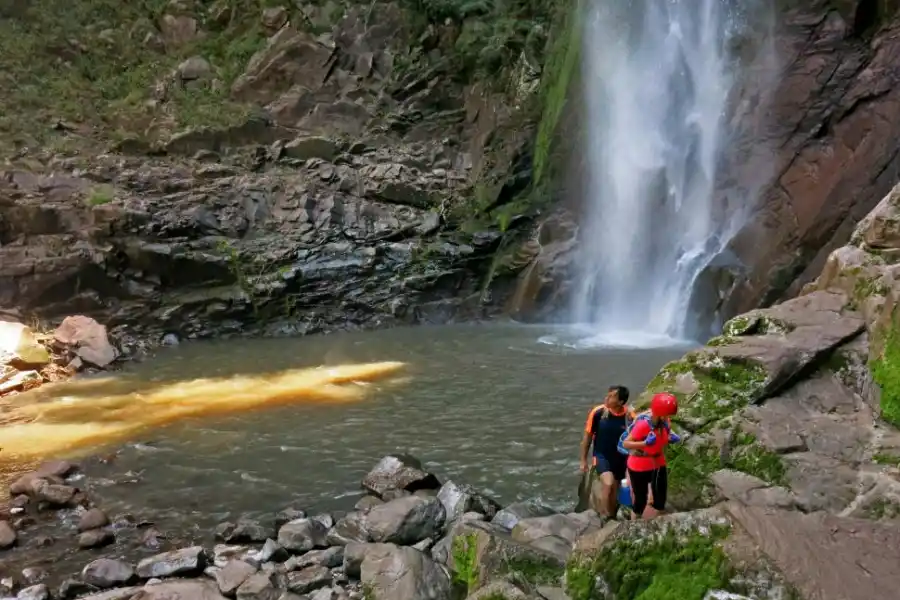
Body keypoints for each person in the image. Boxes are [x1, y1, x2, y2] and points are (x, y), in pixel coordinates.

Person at [621, 392, 680, 520]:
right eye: (667, 415)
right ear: (659, 413)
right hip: (639, 465)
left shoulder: (665, 423)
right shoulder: (643, 425)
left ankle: (656, 521)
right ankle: (634, 523)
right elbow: (626, 443)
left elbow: (663, 437)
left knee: (660, 497)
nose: (668, 417)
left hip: (658, 462)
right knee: (640, 499)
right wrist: (644, 443)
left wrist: (670, 438)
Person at [580, 385, 635, 518]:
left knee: (615, 491)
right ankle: (604, 516)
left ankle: (611, 517)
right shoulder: (598, 413)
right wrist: (583, 460)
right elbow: (587, 438)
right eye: (608, 394)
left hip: (621, 459)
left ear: (621, 402)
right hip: (601, 455)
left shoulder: (629, 416)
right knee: (608, 482)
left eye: (612, 396)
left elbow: (639, 431)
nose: (607, 398)